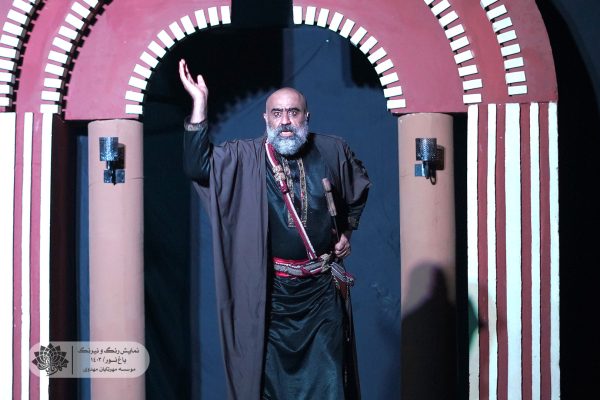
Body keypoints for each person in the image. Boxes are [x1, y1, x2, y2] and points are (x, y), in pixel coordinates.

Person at [179, 58, 371, 400]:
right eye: (277, 114)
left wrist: (347, 231)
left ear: (306, 117)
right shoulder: (245, 157)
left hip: (320, 295)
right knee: (269, 387)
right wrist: (200, 104)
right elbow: (198, 167)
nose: (285, 121)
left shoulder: (331, 150)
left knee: (329, 384)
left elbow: (357, 189)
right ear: (265, 119)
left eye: (293, 113)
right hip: (272, 298)